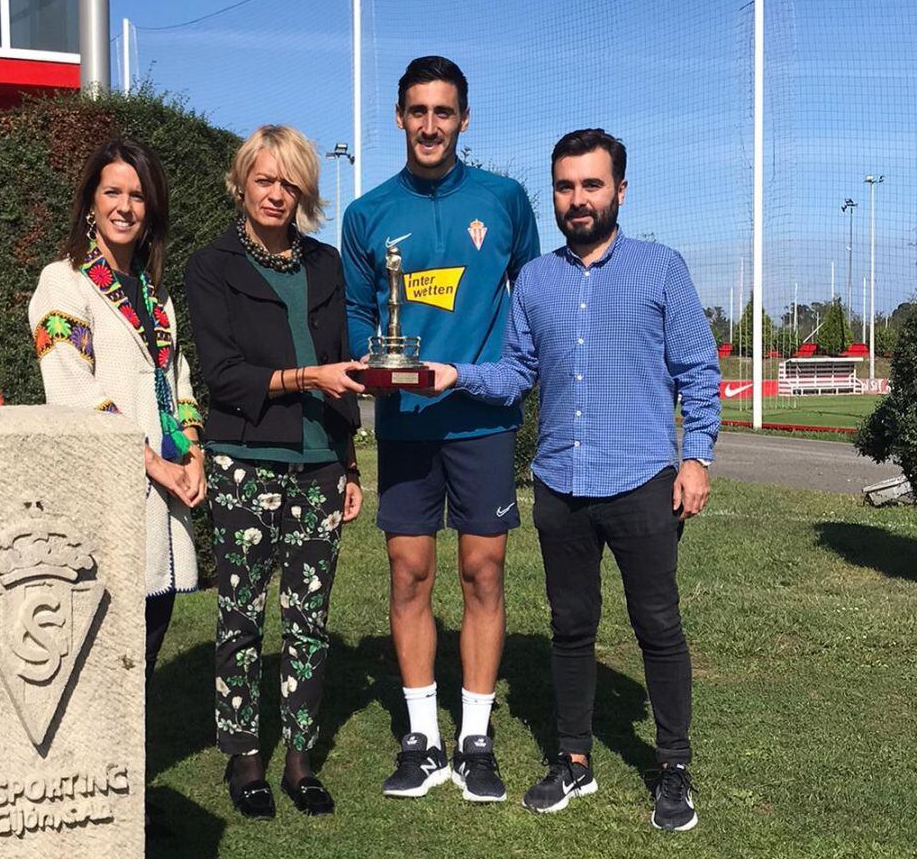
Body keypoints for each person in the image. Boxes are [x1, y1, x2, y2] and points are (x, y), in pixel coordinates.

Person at [428, 128, 720, 831]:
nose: (578, 199)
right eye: (565, 187)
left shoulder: (661, 269)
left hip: (643, 479)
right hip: (560, 481)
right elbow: (515, 374)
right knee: (569, 626)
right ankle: (573, 759)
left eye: (592, 185)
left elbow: (699, 372)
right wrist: (454, 374)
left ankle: (673, 766)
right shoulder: (535, 279)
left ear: (621, 189)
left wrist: (696, 456)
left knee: (657, 624)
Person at [342, 55, 540, 803]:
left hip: (482, 421)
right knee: (409, 573)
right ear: (398, 117)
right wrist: (372, 357)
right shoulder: (367, 214)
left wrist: (512, 365)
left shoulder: (505, 199)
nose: (430, 125)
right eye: (417, 111)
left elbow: (529, 289)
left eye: (443, 112)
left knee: (483, 571)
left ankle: (476, 739)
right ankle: (422, 738)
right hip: (406, 422)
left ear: (464, 118)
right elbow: (363, 312)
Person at [184, 124, 364, 820]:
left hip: (319, 464)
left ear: (305, 191)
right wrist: (303, 377)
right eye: (265, 179)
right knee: (240, 614)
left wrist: (348, 462)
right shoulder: (213, 265)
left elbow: (344, 364)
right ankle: (244, 756)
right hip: (243, 461)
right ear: (242, 183)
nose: (276, 193)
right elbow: (224, 374)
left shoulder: (324, 266)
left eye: (289, 182)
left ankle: (299, 757)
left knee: (308, 618)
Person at [29, 137, 204, 688]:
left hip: (165, 491)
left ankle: (130, 771)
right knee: (99, 655)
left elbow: (178, 383)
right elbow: (69, 386)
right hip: (106, 491)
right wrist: (152, 461)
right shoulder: (65, 282)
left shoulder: (157, 299)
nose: (125, 206)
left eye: (138, 195)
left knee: (144, 649)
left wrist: (194, 452)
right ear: (90, 203)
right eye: (113, 192)